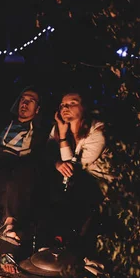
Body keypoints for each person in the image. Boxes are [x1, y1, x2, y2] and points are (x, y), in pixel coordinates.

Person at [0, 87, 48, 273]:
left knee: (21, 173)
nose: (25, 103)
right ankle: (10, 231)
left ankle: (8, 234)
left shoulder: (43, 132)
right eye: (22, 99)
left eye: (31, 101)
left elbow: (44, 158)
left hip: (24, 177)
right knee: (14, 179)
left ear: (37, 109)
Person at [43, 89, 112, 259]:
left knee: (77, 187)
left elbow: (77, 168)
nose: (65, 107)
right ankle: (44, 241)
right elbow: (48, 154)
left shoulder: (98, 130)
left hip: (96, 180)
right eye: (62, 105)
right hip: (69, 177)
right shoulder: (57, 128)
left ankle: (64, 243)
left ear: (84, 107)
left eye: (72, 103)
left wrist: (64, 136)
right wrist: (56, 163)